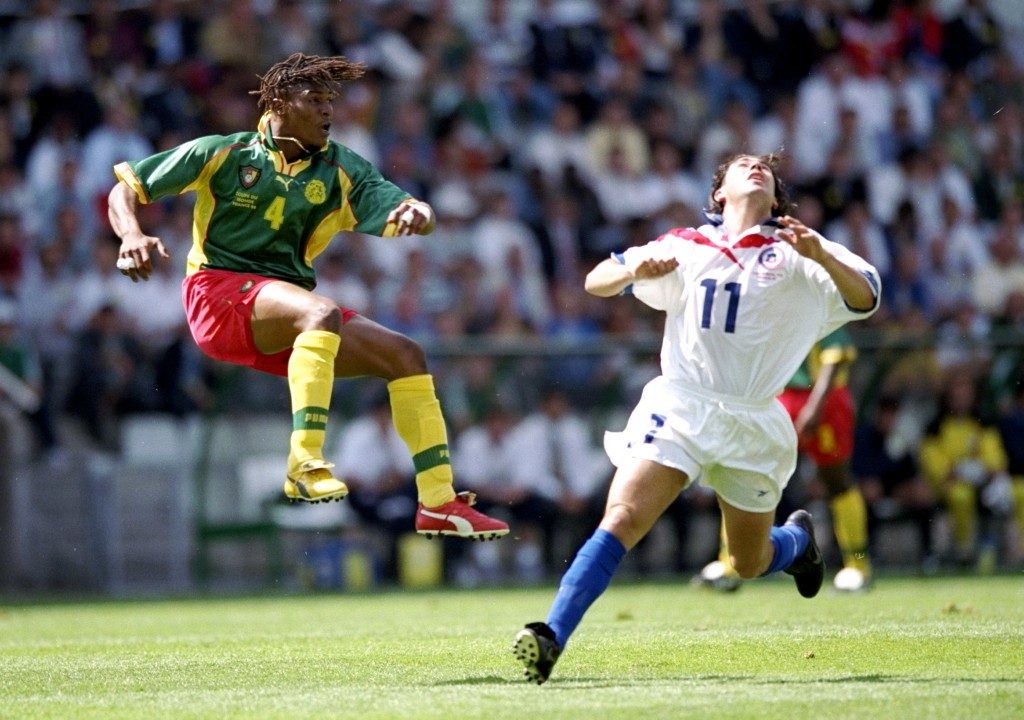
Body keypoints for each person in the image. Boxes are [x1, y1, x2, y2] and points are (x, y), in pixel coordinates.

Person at [107, 53, 508, 542]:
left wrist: (419, 210)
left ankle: (439, 503)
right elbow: (125, 190)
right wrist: (130, 236)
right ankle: (304, 462)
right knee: (322, 313)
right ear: (278, 102)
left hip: (282, 312)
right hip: (216, 296)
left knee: (406, 355)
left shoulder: (339, 168)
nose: (328, 112)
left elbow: (395, 198)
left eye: (329, 101)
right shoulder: (224, 153)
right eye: (314, 100)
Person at [512, 153, 881, 685]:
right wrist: (631, 270)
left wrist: (822, 254)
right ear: (719, 195)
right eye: (741, 165)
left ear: (775, 198)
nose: (755, 168)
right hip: (682, 405)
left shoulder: (799, 247)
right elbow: (597, 280)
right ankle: (551, 635)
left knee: (750, 561)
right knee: (622, 518)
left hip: (753, 420)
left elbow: (866, 297)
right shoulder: (685, 244)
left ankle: (798, 543)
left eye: (765, 168)